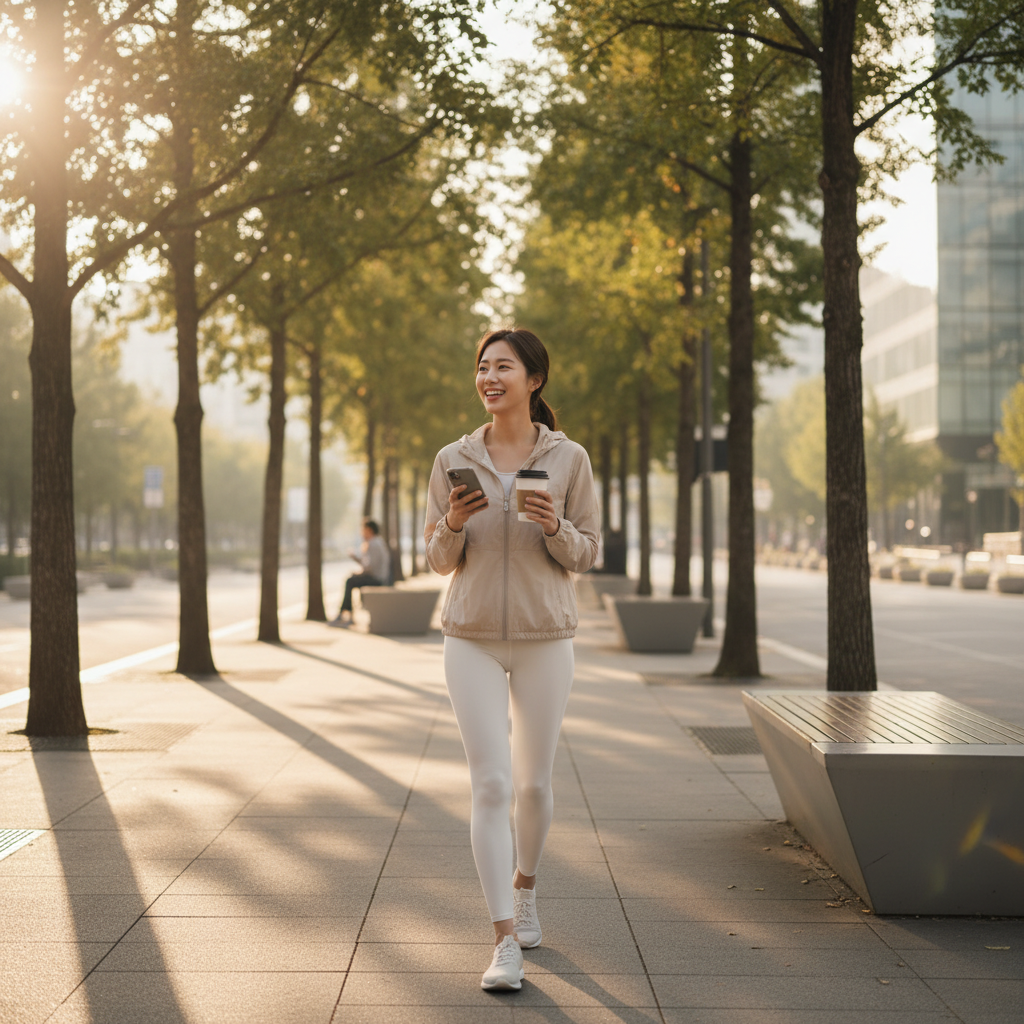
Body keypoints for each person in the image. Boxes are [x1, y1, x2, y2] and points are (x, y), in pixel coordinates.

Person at [424, 328, 600, 991]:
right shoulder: (452, 457)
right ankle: (504, 941)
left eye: (504, 366)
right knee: (490, 785)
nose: (490, 376)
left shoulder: (569, 458)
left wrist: (555, 526)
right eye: (482, 366)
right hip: (468, 635)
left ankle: (526, 888)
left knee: (531, 785)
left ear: (534, 379)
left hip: (544, 636)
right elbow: (438, 560)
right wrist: (455, 523)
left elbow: (587, 551)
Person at [331, 519, 390, 626]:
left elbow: (370, 567)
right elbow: (368, 565)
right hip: (378, 577)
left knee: (350, 581)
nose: (361, 532)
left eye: (363, 530)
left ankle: (345, 613)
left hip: (377, 579)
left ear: (369, 530)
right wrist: (356, 559)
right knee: (351, 580)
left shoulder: (374, 544)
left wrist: (359, 573)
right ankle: (346, 613)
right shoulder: (377, 542)